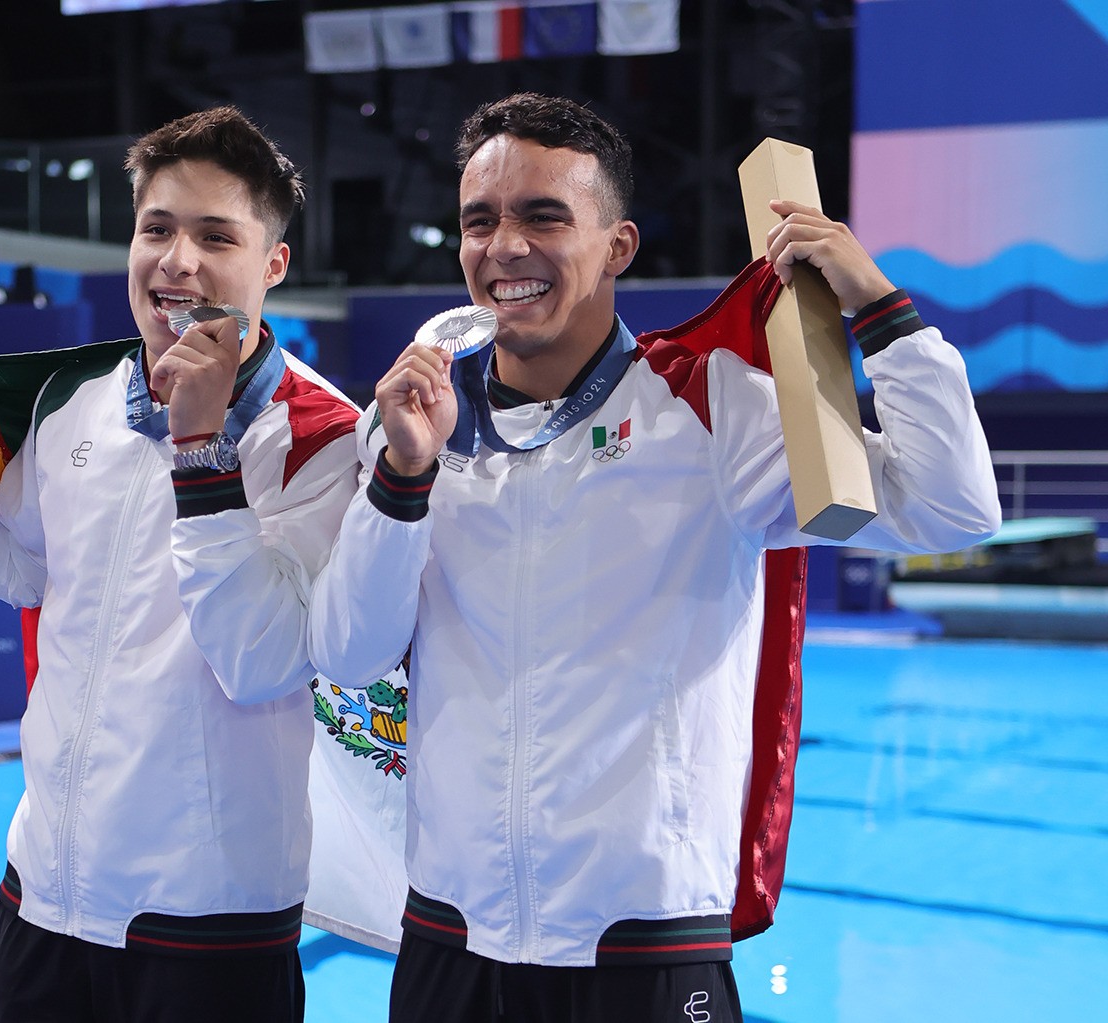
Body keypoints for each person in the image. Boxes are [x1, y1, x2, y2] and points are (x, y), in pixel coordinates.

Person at [307, 92, 1002, 1023]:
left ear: (619, 246)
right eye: (480, 221)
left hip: (646, 947)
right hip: (451, 941)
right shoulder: (410, 423)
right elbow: (350, 654)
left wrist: (881, 311)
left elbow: (954, 505)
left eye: (544, 216)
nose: (505, 246)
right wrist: (402, 476)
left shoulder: (712, 410)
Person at [0, 106, 361, 1022]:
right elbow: (30, 576)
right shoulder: (74, 401)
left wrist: (202, 450)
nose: (177, 261)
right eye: (156, 229)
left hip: (206, 917)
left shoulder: (322, 437)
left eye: (215, 237)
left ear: (273, 264)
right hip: (42, 891)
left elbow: (262, 661)